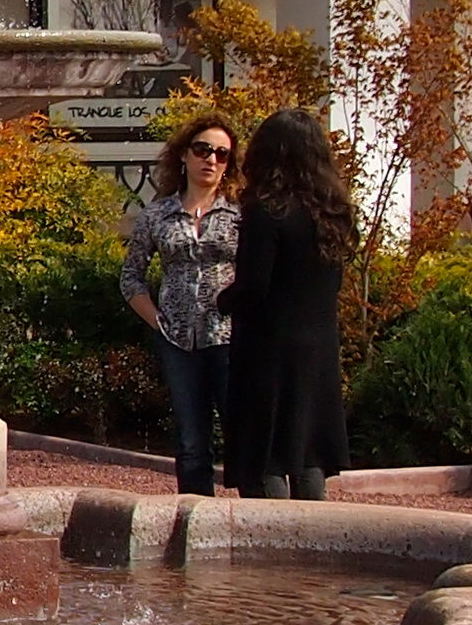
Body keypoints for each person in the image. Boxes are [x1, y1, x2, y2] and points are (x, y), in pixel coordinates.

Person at [226, 107, 354, 501]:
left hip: (268, 349)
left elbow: (254, 287)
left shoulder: (266, 211)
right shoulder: (335, 211)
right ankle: (317, 544)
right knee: (308, 452)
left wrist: (221, 300)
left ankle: (271, 545)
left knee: (264, 456)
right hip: (319, 346)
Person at [118, 114, 243, 496]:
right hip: (178, 342)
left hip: (230, 339)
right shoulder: (157, 215)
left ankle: (252, 520)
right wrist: (157, 321)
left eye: (222, 155)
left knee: (241, 431)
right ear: (184, 156)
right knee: (191, 439)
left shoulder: (241, 214)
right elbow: (130, 277)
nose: (211, 160)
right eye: (203, 150)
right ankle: (194, 517)